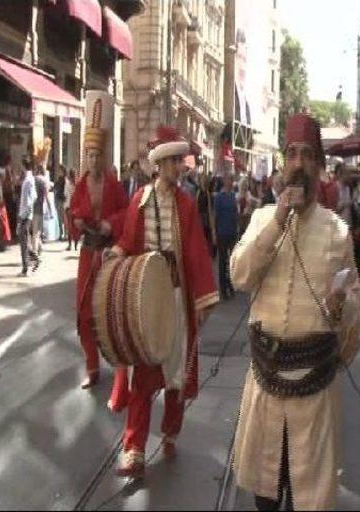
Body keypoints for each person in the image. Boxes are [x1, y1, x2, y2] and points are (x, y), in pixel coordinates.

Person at [230, 113, 360, 510]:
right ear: (283, 163)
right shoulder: (260, 219)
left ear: (319, 167)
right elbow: (239, 275)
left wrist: (343, 304)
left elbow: (353, 300)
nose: (299, 163)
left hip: (314, 388)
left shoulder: (337, 230)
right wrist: (276, 221)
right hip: (266, 381)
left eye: (307, 155)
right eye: (292, 154)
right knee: (265, 495)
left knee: (306, 494)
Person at [106, 125, 218, 477]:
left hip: (177, 298)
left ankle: (170, 431)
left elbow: (198, 253)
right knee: (143, 377)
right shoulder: (139, 200)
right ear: (159, 164)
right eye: (172, 162)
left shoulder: (186, 204)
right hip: (146, 299)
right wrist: (114, 254)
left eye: (179, 161)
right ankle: (134, 448)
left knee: (175, 377)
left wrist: (202, 301)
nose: (179, 167)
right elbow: (128, 240)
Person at [70, 122, 129, 389]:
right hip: (87, 254)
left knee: (110, 312)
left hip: (108, 255)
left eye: (97, 155)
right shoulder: (80, 186)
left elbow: (128, 215)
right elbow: (72, 214)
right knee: (84, 312)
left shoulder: (115, 186)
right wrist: (77, 223)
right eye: (89, 155)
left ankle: (120, 370)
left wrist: (110, 224)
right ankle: (92, 367)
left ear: (103, 158)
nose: (93, 160)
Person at [214, 174, 238, 300]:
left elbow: (235, 214)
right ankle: (223, 289)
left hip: (232, 232)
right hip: (222, 232)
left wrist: (237, 229)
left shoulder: (232, 196)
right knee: (222, 261)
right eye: (229, 179)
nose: (230, 182)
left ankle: (231, 285)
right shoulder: (219, 197)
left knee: (232, 261)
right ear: (224, 181)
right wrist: (214, 233)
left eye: (231, 180)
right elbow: (215, 216)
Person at [17, 159, 37, 277]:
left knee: (24, 242)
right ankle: (29, 264)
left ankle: (26, 267)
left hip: (25, 214)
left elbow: (30, 199)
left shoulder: (28, 181)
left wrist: (23, 215)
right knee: (25, 241)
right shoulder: (29, 179)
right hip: (26, 213)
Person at [64, 169, 77, 251]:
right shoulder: (77, 184)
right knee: (75, 227)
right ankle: (75, 245)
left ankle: (69, 245)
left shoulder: (67, 184)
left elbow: (65, 194)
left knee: (69, 226)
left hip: (68, 206)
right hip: (76, 207)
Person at [53, 165, 67, 241]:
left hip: (61, 200)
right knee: (60, 218)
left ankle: (64, 234)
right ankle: (61, 234)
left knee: (62, 218)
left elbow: (61, 190)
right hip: (58, 200)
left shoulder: (64, 180)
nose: (58, 172)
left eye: (59, 170)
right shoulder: (59, 179)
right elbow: (55, 188)